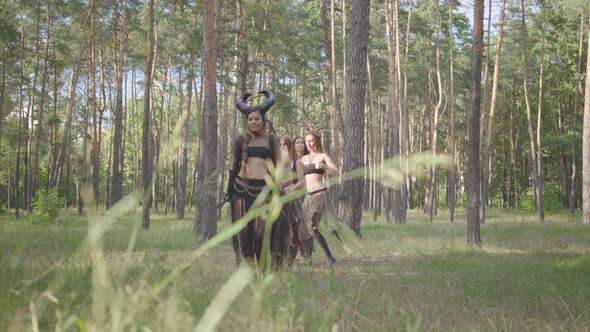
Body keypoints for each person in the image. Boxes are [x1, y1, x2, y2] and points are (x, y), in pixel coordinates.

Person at [226, 90, 291, 267]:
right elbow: (233, 165)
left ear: (263, 121)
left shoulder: (271, 141)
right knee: (244, 234)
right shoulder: (240, 140)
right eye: (251, 119)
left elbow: (278, 167)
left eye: (257, 119)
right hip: (240, 191)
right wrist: (229, 187)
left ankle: (263, 270)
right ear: (247, 122)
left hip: (264, 192)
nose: (254, 122)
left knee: (261, 234)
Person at [299, 132, 343, 265]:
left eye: (311, 141)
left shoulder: (323, 156)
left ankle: (313, 258)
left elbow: (336, 172)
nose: (308, 143)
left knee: (311, 225)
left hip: (319, 193)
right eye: (307, 141)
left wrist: (324, 166)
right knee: (308, 229)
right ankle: (325, 257)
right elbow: (300, 180)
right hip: (308, 196)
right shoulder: (303, 159)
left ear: (317, 141)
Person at [279, 136, 310, 264]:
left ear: (289, 147)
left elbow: (301, 182)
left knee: (295, 229)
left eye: (284, 145)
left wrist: (290, 190)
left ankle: (301, 255)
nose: (281, 148)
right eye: (280, 146)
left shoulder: (297, 163)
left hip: (293, 198)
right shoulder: (280, 163)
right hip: (280, 198)